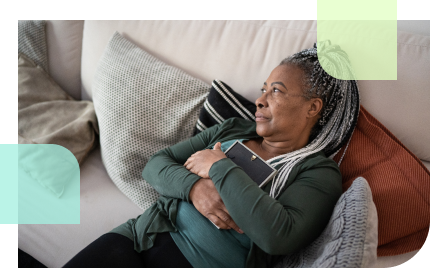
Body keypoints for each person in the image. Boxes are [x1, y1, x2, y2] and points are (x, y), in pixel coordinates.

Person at [63, 41, 360, 268]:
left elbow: (277, 235)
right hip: (140, 239)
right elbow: (155, 165)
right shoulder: (233, 130)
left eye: (276, 92)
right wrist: (195, 188)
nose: (259, 100)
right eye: (263, 90)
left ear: (313, 107)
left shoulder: (318, 173)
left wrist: (218, 166)